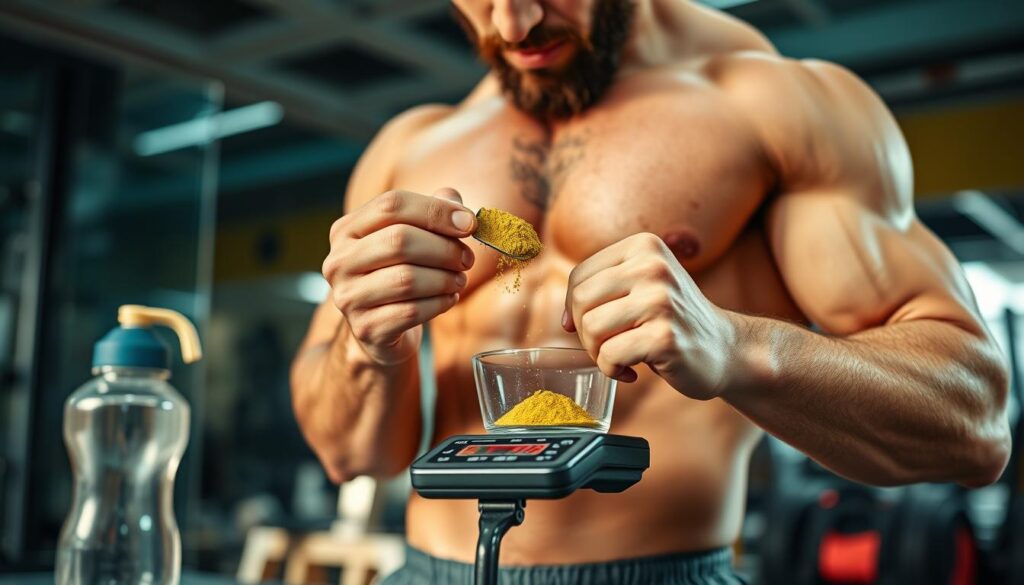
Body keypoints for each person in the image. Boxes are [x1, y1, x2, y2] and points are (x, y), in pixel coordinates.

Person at [291, 1, 1011, 583]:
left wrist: (738, 345)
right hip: (427, 572)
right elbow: (350, 457)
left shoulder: (774, 105)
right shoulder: (407, 148)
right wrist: (365, 348)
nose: (512, 23)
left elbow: (974, 422)